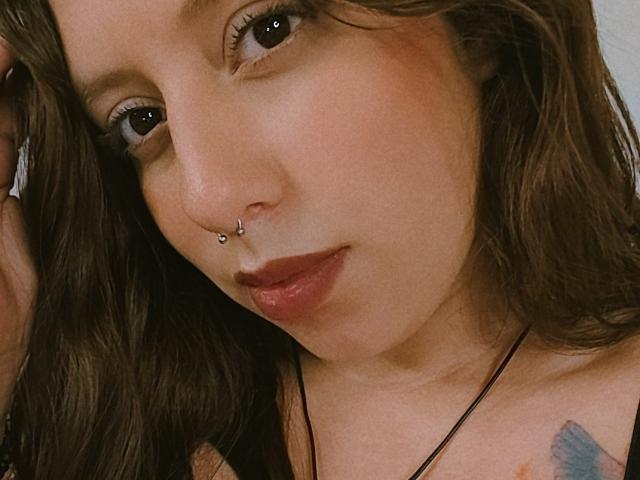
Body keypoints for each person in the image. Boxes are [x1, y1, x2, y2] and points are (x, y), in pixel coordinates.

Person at [0, 0, 639, 478]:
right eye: (141, 120)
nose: (209, 199)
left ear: (478, 23)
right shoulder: (135, 425)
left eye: (266, 31)